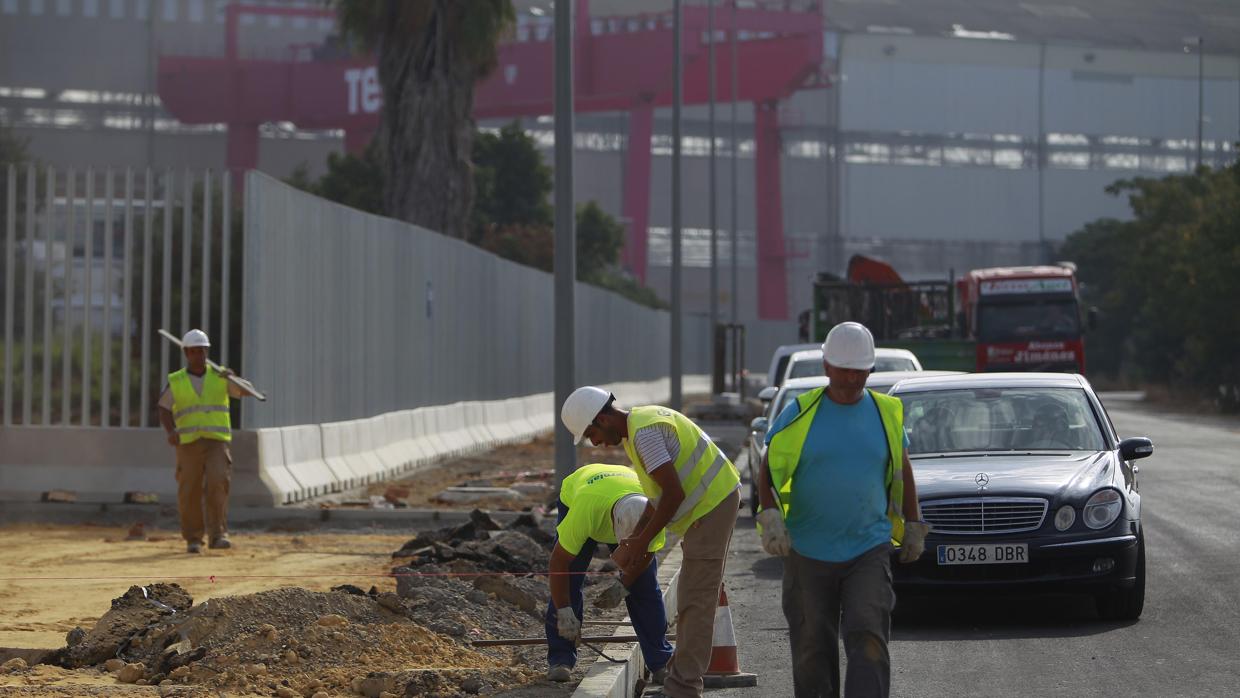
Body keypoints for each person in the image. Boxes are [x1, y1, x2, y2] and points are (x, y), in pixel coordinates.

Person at [755, 321, 930, 698]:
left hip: (868, 547)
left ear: (870, 370)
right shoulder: (800, 413)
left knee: (868, 636)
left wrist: (914, 522)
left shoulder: (886, 413)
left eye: (859, 370)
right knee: (811, 647)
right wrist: (770, 517)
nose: (851, 378)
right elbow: (767, 466)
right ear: (826, 367)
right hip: (807, 551)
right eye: (844, 369)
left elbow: (903, 466)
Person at [561, 387, 741, 698]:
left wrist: (641, 541)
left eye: (592, 433)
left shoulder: (644, 435)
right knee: (692, 599)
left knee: (695, 602)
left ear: (603, 418)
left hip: (711, 507)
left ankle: (683, 689)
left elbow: (673, 495)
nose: (596, 443)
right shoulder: (639, 429)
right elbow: (659, 500)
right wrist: (634, 541)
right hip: (710, 505)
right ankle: (680, 683)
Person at [544, 463, 673, 684]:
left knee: (644, 587)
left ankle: (661, 662)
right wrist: (564, 610)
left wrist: (623, 585)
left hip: (622, 492)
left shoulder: (654, 514)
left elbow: (646, 556)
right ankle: (560, 658)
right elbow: (559, 563)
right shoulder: (585, 512)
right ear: (615, 526)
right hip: (585, 493)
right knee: (570, 578)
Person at [157, 329, 258, 554]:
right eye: (193, 351)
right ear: (186, 353)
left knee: (218, 484)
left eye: (201, 351)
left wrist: (233, 377)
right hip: (188, 443)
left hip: (216, 442)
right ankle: (193, 538)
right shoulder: (177, 380)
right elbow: (163, 408)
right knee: (189, 490)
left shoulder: (220, 377)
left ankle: (218, 534)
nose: (197, 355)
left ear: (206, 352)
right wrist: (170, 432)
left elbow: (247, 392)